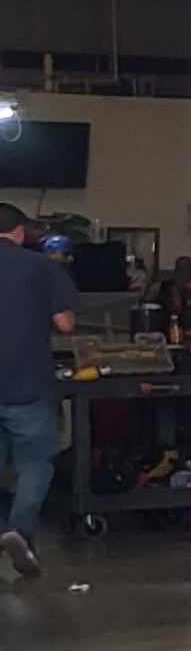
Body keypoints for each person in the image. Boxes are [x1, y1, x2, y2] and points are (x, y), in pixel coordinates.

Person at [0, 204, 77, 578]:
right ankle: (19, 533)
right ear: (19, 232)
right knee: (34, 464)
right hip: (26, 382)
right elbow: (65, 324)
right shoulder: (41, 267)